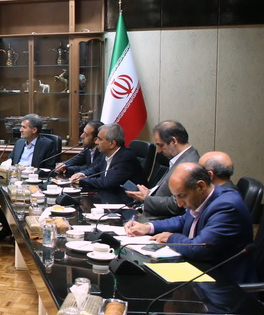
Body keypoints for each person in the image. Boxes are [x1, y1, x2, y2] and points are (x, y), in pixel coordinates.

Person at [125, 163, 255, 285]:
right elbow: (182, 220)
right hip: (200, 271)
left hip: (224, 283)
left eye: (182, 196)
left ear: (201, 186)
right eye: (176, 197)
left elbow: (198, 248)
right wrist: (148, 227)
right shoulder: (203, 198)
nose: (179, 203)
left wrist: (171, 237)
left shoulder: (227, 206)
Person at [125, 121, 199, 218]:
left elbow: (177, 204)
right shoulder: (179, 159)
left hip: (160, 220)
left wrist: (146, 199)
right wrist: (149, 193)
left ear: (173, 141)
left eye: (161, 145)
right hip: (150, 213)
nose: (159, 150)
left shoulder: (189, 164)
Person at [70, 123, 146, 195]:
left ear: (112, 144)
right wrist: (82, 174)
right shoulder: (107, 154)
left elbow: (108, 182)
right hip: (110, 195)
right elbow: (95, 169)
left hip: (128, 200)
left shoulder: (125, 157)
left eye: (99, 139)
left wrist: (83, 181)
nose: (96, 142)